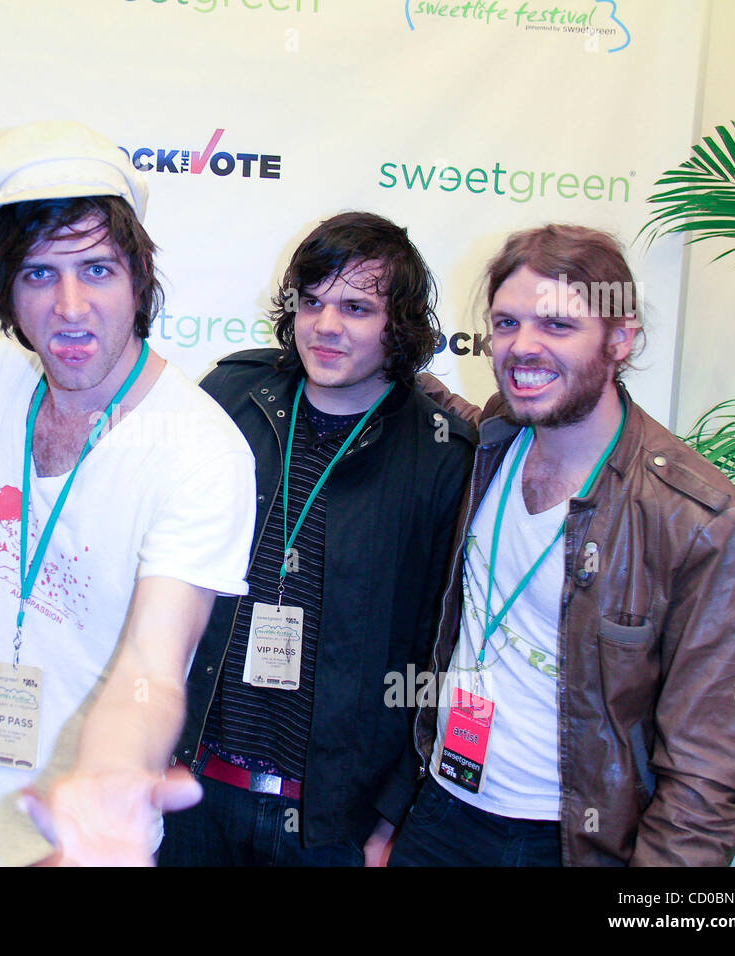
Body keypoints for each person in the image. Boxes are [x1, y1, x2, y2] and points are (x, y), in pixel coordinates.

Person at [0, 120, 257, 866]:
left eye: (97, 269)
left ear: (139, 279)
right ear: (7, 289)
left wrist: (105, 781)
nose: (70, 305)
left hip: (77, 846)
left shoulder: (200, 449)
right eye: (39, 273)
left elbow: (153, 660)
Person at [393, 224, 735, 866]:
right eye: (507, 323)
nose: (523, 347)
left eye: (558, 326)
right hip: (442, 805)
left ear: (620, 339)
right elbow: (433, 400)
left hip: (569, 841)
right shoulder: (495, 438)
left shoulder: (696, 520)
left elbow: (713, 769)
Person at [157, 212, 474, 867]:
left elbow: (439, 650)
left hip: (330, 827)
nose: (326, 326)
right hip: (194, 794)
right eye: (312, 302)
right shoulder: (232, 395)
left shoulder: (441, 453)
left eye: (356, 307)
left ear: (401, 323)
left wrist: (394, 812)